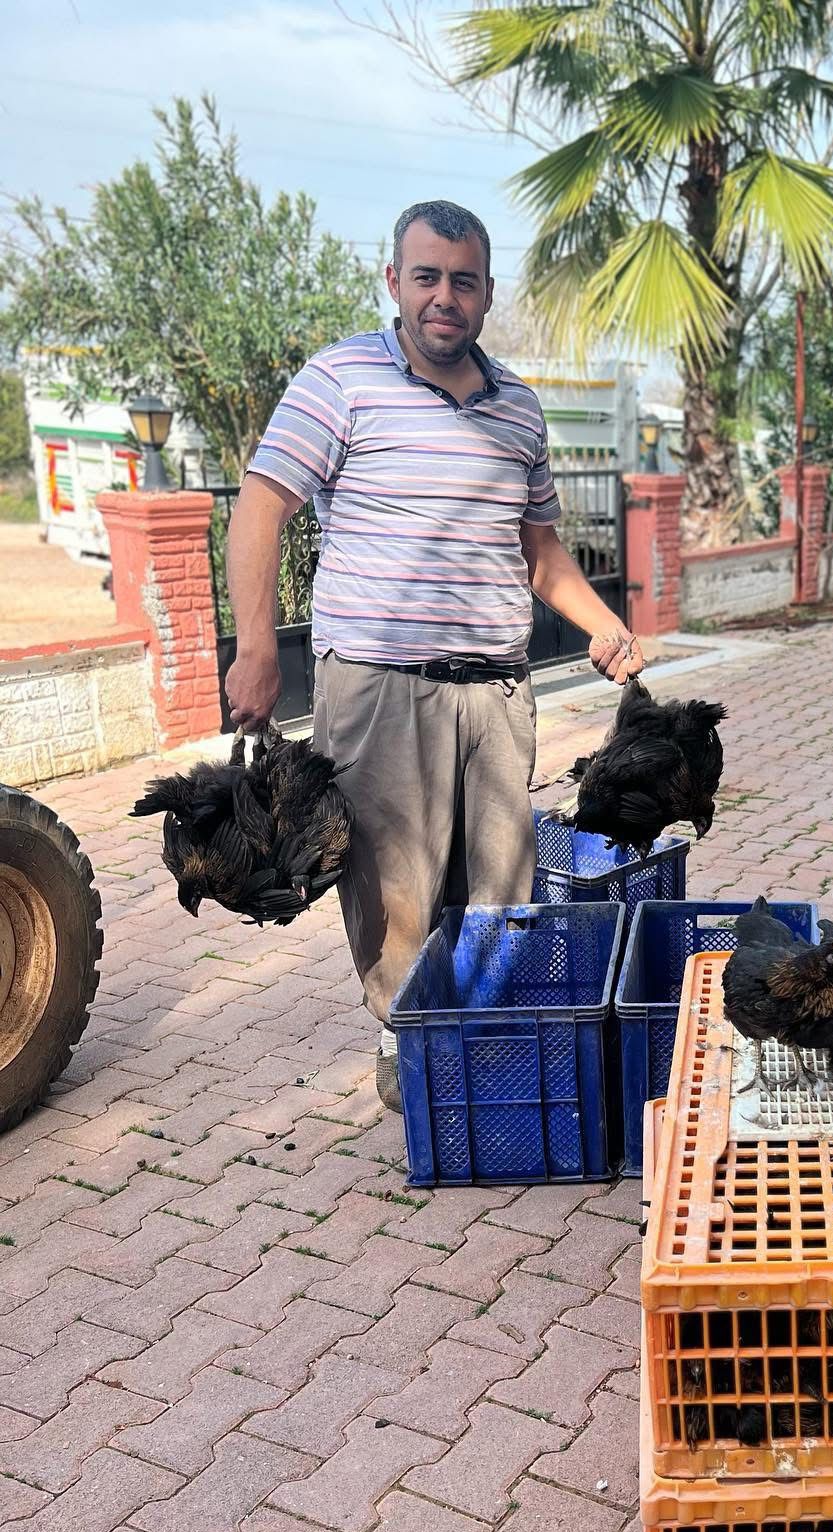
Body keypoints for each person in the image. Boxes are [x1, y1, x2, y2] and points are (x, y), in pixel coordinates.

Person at [225, 198, 643, 1110]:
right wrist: (257, 645)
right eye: (427, 278)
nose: (444, 297)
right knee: (394, 888)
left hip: (495, 692)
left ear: (487, 293)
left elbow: (539, 551)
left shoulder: (519, 410)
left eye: (463, 281)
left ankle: (481, 1040)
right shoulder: (340, 381)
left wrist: (602, 625)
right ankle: (407, 1040)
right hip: (380, 686)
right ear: (395, 282)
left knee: (501, 885)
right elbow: (259, 508)